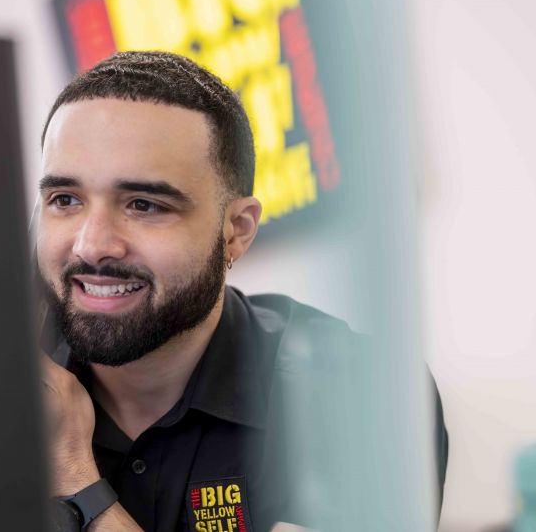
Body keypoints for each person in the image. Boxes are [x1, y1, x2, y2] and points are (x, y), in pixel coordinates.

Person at [34, 51, 448, 531]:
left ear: (237, 230)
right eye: (65, 200)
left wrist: (77, 482)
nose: (91, 245)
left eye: (144, 205)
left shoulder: (360, 395)